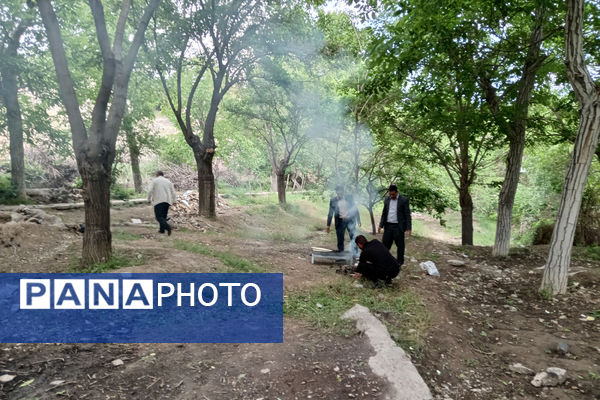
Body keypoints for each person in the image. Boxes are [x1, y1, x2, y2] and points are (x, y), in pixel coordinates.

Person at [378, 184, 412, 266]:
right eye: (390, 194)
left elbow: (407, 214)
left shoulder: (403, 200)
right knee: (385, 245)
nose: (391, 196)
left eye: (393, 194)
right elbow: (384, 213)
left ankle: (399, 262)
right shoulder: (386, 199)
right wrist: (380, 225)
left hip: (398, 227)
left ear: (397, 192)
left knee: (400, 245)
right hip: (388, 226)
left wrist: (409, 228)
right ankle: (384, 260)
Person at [326, 186, 361, 254]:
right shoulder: (333, 200)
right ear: (336, 192)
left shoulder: (349, 198)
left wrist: (358, 220)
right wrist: (328, 225)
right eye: (338, 191)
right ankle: (341, 254)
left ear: (343, 191)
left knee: (353, 237)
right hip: (340, 222)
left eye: (341, 191)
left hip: (350, 220)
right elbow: (330, 213)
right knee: (340, 239)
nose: (339, 193)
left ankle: (355, 253)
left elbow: (355, 208)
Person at [147, 171, 176, 235]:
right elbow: (173, 192)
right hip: (167, 201)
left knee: (158, 217)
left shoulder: (155, 181)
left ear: (156, 175)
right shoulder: (168, 181)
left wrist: (148, 199)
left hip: (158, 201)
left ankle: (168, 227)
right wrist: (174, 201)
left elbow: (150, 190)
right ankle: (161, 230)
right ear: (163, 175)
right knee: (163, 216)